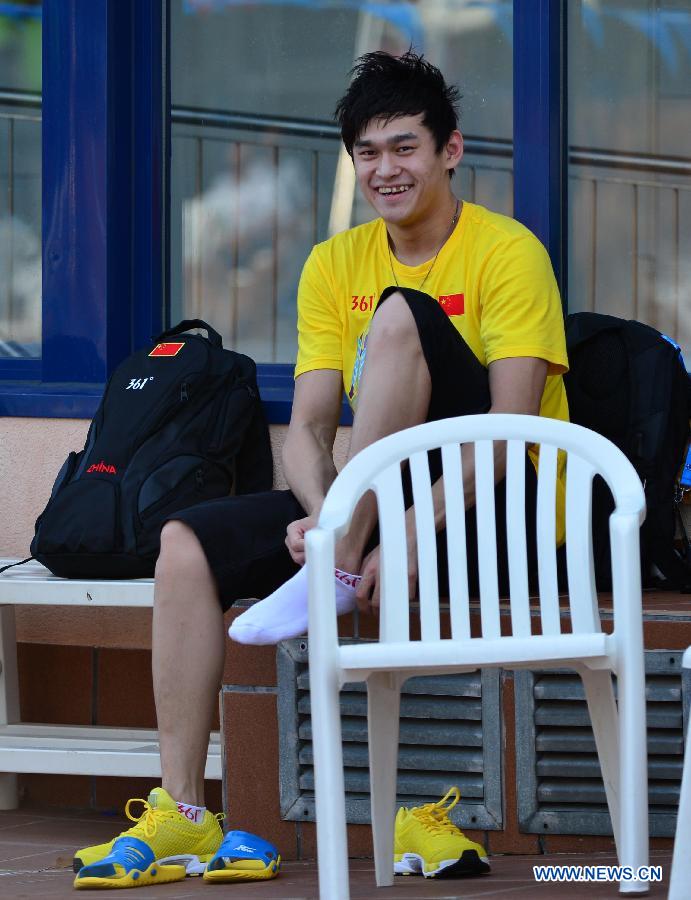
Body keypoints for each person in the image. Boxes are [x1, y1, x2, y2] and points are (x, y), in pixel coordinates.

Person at [72, 50, 568, 889]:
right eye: (367, 154)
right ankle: (185, 812)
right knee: (187, 540)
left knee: (401, 319)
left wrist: (389, 531)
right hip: (369, 509)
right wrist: (329, 512)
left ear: (450, 150)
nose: (386, 170)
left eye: (404, 147)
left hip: (494, 507)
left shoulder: (507, 252)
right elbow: (305, 428)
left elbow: (508, 429)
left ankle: (340, 565)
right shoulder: (332, 263)